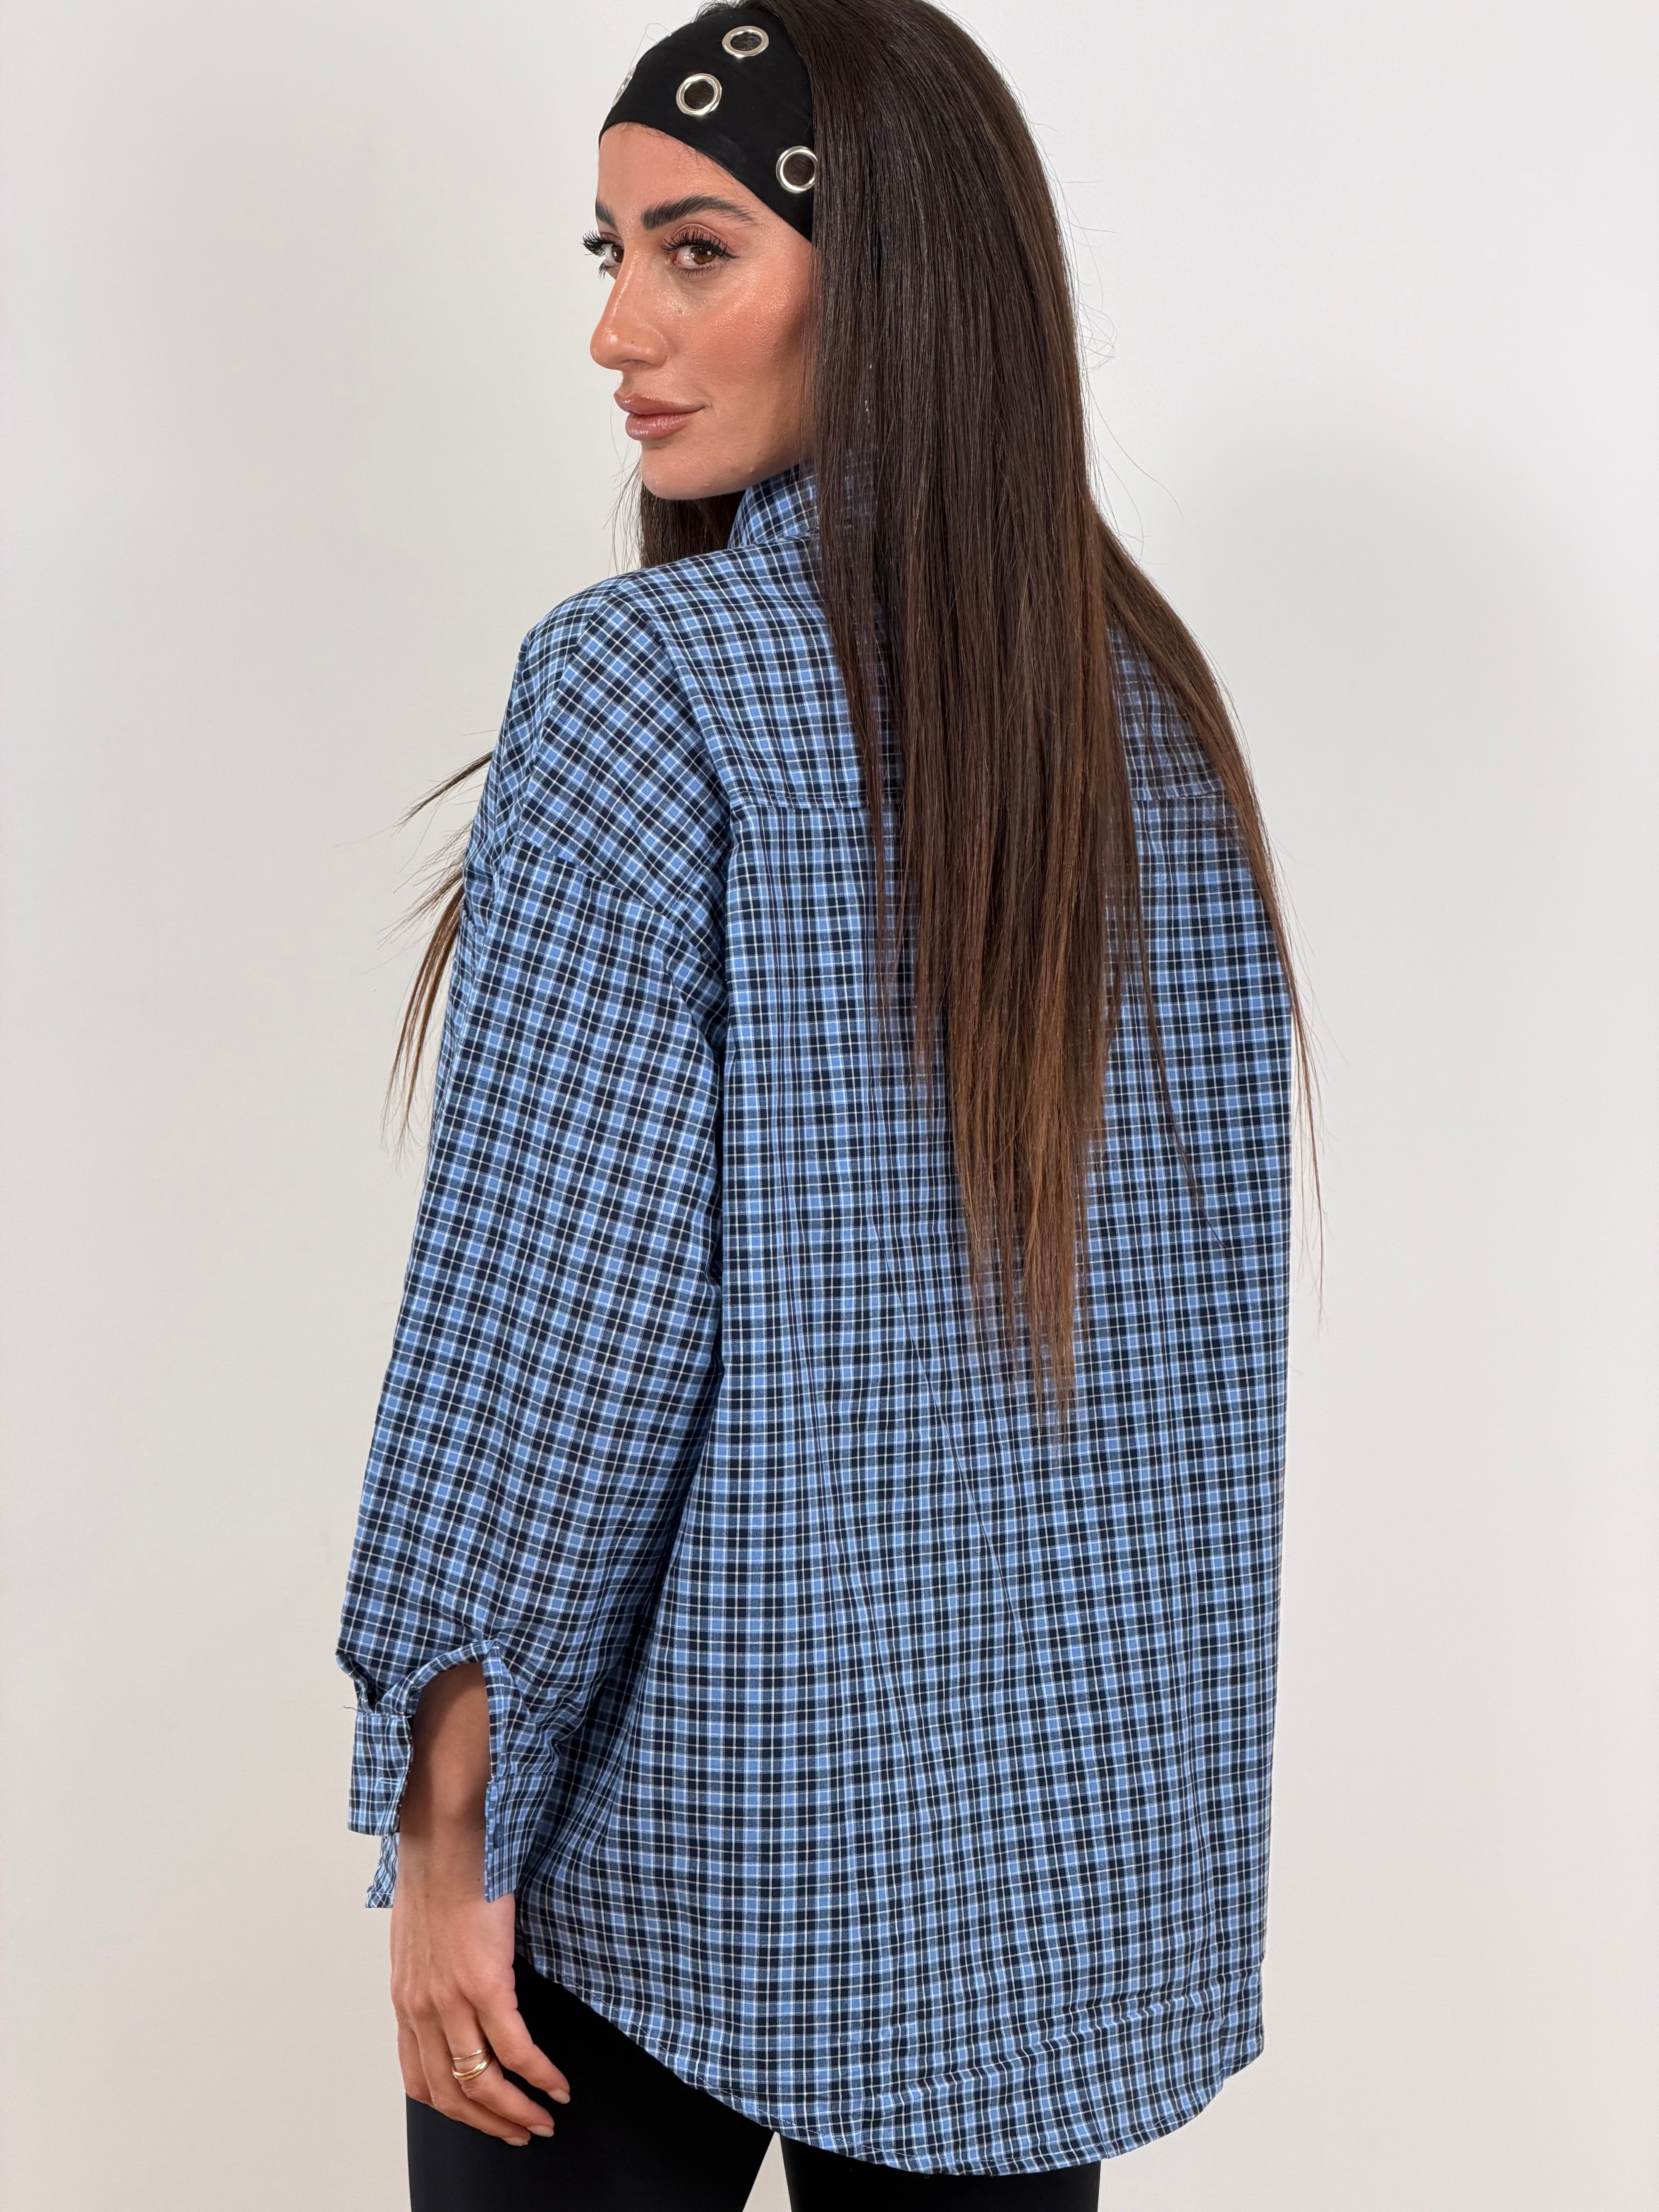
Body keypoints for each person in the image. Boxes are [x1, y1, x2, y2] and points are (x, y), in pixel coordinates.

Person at [335, 3, 1316, 2205]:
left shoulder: (645, 686)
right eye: (609, 254)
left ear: (894, 276)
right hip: (1038, 1883)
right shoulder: (1150, 720)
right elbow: (1185, 1370)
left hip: (660, 1842)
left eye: (696, 250)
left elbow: (552, 1334)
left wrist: (446, 1828)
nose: (617, 330)